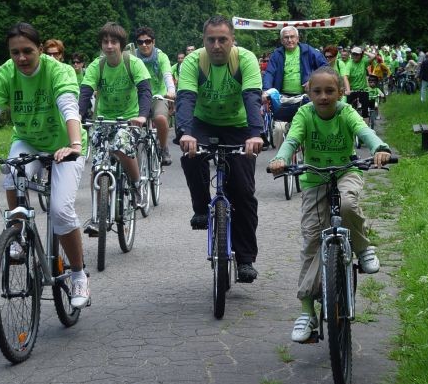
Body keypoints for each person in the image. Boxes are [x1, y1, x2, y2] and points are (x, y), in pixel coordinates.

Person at [0, 22, 90, 308]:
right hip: (28, 141)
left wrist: (74, 145)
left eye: (27, 51)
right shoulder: (6, 73)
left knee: (60, 210)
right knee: (11, 173)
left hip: (64, 144)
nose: (21, 58)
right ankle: (18, 234)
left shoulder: (58, 71)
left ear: (40, 49)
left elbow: (69, 108)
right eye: (15, 52)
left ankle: (78, 274)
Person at [267, 66, 392, 342]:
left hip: (346, 172)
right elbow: (292, 138)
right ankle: (306, 311)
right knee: (312, 241)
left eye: (329, 91)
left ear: (340, 93)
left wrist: (379, 148)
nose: (323, 96)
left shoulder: (346, 112)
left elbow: (364, 131)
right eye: (317, 91)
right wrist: (281, 158)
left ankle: (363, 247)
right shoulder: (304, 114)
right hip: (314, 178)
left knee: (347, 205)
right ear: (309, 93)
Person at [176, 15, 263, 283]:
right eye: (211, 40)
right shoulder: (193, 62)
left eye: (222, 39)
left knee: (244, 192)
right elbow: (186, 98)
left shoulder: (245, 60)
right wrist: (185, 132)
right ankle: (202, 208)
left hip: (239, 126)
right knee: (190, 155)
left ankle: (245, 260)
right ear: (203, 41)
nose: (216, 45)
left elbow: (252, 98)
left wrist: (256, 134)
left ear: (232, 40)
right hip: (202, 123)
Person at [78, 22, 152, 233]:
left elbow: (145, 91)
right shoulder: (97, 66)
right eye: (105, 42)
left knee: (121, 145)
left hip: (129, 120)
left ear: (121, 44)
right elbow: (85, 93)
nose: (109, 46)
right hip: (103, 120)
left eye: (113, 42)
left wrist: (142, 116)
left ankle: (136, 185)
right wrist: (78, 115)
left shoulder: (133, 63)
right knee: (98, 165)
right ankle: (97, 215)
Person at [262, 26, 327, 152]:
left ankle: (310, 156)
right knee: (279, 130)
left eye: (292, 37)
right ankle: (281, 158)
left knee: (310, 126)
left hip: (304, 96)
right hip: (282, 98)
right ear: (282, 40)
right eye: (286, 37)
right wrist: (266, 90)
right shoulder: (277, 54)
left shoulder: (308, 51)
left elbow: (325, 67)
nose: (289, 40)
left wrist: (313, 81)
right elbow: (269, 73)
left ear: (297, 38)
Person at [134, 26, 175, 166]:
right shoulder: (133, 57)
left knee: (160, 118)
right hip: (138, 97)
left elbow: (167, 75)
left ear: (153, 42)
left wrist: (171, 91)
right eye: (140, 42)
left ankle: (163, 148)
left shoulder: (161, 56)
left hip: (158, 96)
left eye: (147, 41)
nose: (144, 45)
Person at [345, 45, 376, 118]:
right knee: (348, 109)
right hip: (352, 90)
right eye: (353, 54)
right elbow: (345, 77)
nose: (355, 56)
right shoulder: (349, 64)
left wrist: (363, 52)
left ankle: (365, 122)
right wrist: (348, 90)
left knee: (365, 111)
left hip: (363, 90)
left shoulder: (363, 61)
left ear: (360, 55)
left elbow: (373, 56)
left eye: (357, 54)